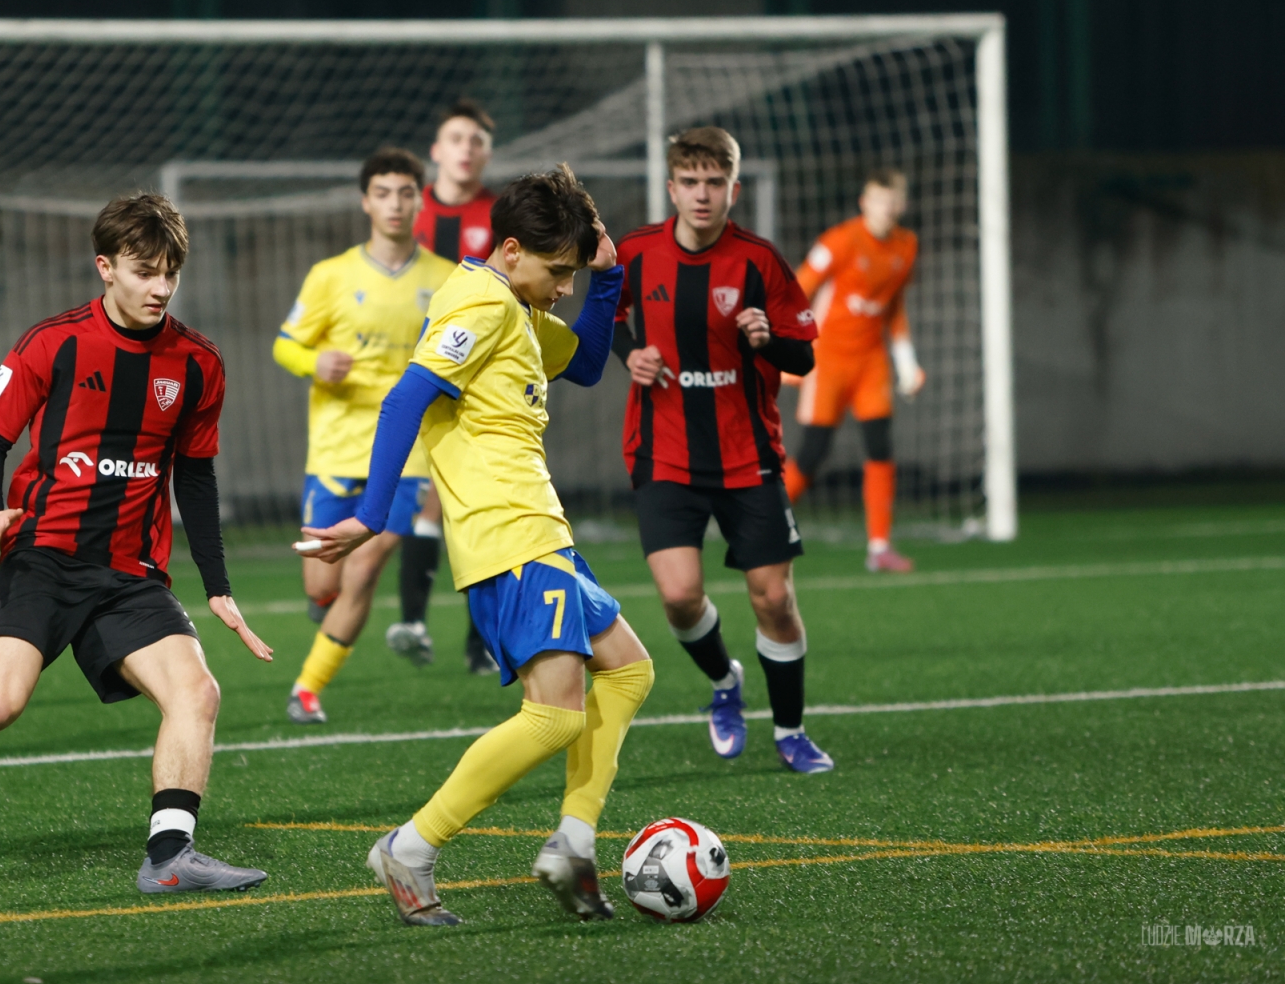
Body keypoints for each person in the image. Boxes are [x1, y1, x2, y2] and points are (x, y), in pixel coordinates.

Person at [0, 194, 274, 896]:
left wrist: (217, 586)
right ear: (105, 267)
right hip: (44, 556)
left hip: (130, 574)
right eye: (145, 271)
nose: (160, 287)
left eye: (171, 273)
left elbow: (195, 475)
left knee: (197, 692)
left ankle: (169, 857)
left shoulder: (197, 363)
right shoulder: (54, 342)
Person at [299, 166, 654, 925]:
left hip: (539, 530)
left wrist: (608, 276)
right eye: (557, 271)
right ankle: (411, 847)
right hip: (507, 532)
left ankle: (573, 843)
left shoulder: (516, 304)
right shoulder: (481, 301)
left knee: (628, 671)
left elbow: (588, 362)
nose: (563, 287)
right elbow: (405, 397)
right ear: (513, 250)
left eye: (571, 273)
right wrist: (370, 515)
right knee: (555, 716)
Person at [611, 127, 832, 773]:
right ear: (671, 188)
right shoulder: (637, 253)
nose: (702, 194)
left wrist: (768, 341)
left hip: (748, 455)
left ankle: (790, 731)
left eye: (715, 182)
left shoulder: (760, 262)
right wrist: (631, 354)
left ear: (734, 190)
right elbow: (607, 317)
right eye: (691, 182)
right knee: (680, 596)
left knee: (774, 599)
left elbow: (804, 356)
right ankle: (724, 682)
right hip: (663, 452)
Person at [272, 148, 457, 724]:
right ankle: (324, 603)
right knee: (322, 582)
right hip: (336, 447)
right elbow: (285, 344)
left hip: (408, 454)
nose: (395, 204)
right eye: (383, 193)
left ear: (421, 200)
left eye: (405, 192)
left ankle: (306, 689)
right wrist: (313, 362)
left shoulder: (447, 279)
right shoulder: (330, 275)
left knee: (365, 567)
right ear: (365, 202)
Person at [783, 168, 924, 573]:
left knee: (880, 446)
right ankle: (762, 522)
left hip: (871, 362)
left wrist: (906, 362)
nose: (886, 209)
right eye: (879, 200)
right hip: (827, 360)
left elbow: (894, 307)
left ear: (902, 205)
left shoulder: (907, 247)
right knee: (813, 452)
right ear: (864, 203)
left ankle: (879, 547)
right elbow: (797, 288)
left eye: (893, 201)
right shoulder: (840, 242)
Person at [405, 98, 501, 676]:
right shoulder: (409, 213)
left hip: (483, 375)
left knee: (472, 502)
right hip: (415, 369)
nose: (467, 149)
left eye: (477, 141)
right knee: (426, 498)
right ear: (436, 151)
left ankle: (474, 639)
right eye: (457, 138)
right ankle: (414, 621)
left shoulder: (501, 215)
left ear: (487, 154)